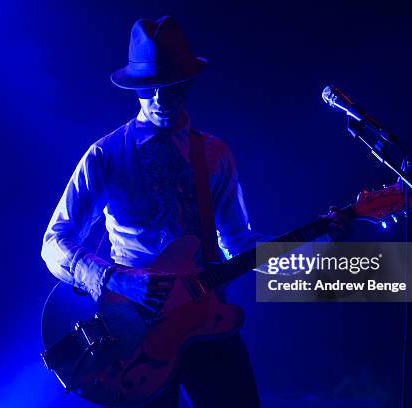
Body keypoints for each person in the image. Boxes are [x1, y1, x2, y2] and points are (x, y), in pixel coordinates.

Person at [41, 15, 347, 407]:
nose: (160, 99)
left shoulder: (214, 154)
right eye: (148, 88)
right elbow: (54, 242)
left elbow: (240, 244)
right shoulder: (106, 156)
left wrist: (317, 246)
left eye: (171, 87)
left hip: (207, 322)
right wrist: (116, 280)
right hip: (133, 337)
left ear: (189, 81)